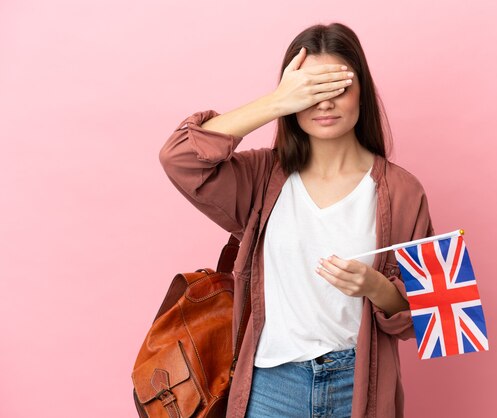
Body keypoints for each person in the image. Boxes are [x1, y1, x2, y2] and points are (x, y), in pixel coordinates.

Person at [159, 22, 435, 418]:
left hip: (357, 385)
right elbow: (180, 157)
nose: (324, 103)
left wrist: (376, 287)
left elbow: (424, 314)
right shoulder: (261, 178)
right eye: (309, 90)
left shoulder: (404, 192)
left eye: (337, 86)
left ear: (363, 93)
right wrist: (276, 101)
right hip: (271, 387)